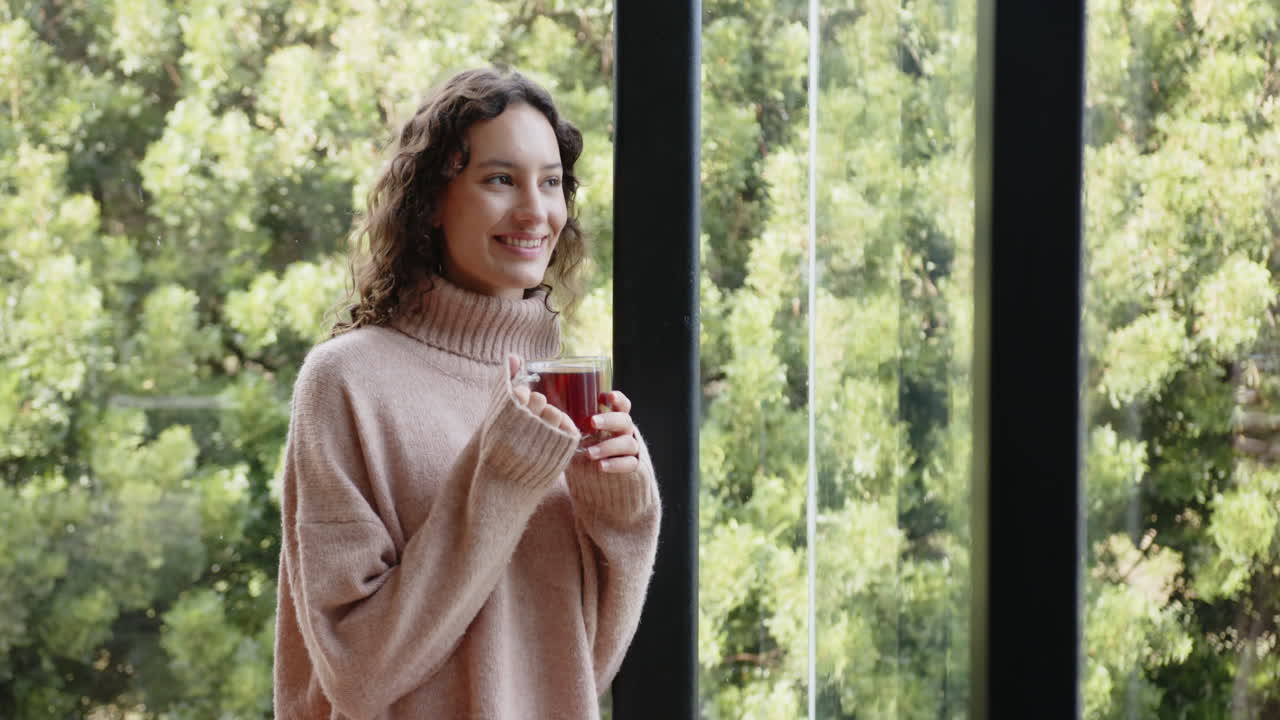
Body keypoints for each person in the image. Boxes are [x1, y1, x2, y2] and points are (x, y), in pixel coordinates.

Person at [273, 68, 661, 719]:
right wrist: (503, 478)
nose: (536, 211)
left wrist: (622, 518)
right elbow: (358, 677)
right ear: (429, 201)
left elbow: (576, 669)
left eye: (551, 182)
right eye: (499, 179)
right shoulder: (346, 382)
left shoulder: (557, 391)